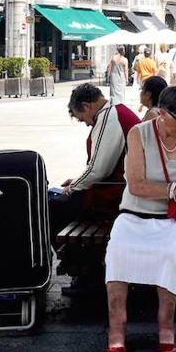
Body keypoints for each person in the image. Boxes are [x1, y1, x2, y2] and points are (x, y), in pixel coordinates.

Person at [103, 86, 176, 352]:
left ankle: (166, 327)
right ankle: (116, 329)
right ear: (162, 114)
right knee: (116, 249)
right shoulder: (139, 134)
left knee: (168, 252)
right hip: (135, 212)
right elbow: (137, 185)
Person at [50, 83, 143, 241]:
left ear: (86, 106)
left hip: (117, 194)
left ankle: (68, 257)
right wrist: (76, 182)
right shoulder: (115, 111)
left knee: (52, 206)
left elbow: (98, 170)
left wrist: (73, 187)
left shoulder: (110, 116)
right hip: (120, 189)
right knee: (55, 199)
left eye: (82, 119)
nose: (87, 123)